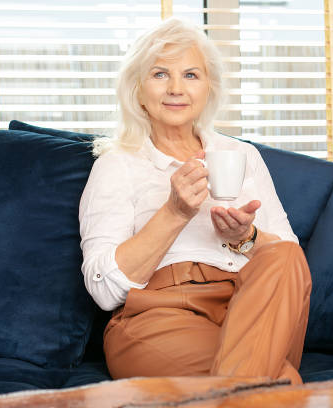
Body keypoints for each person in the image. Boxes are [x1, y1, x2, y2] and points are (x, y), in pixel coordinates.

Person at [79, 17, 311, 385]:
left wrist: (245, 237)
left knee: (284, 255)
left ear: (208, 88)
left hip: (250, 307)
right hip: (162, 315)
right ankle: (255, 382)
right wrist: (175, 212)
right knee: (281, 384)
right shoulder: (118, 163)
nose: (175, 88)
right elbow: (103, 289)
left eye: (190, 75)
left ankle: (242, 383)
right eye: (159, 74)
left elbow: (290, 268)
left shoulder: (242, 155)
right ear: (137, 88)